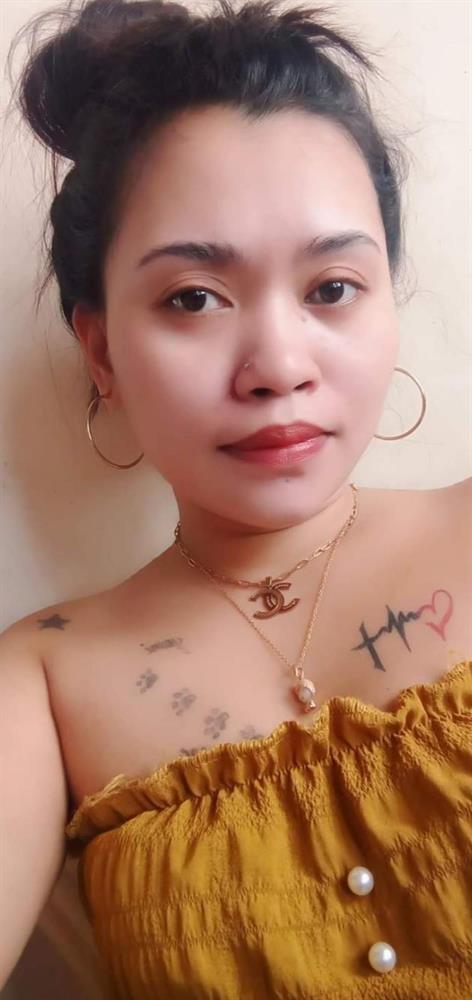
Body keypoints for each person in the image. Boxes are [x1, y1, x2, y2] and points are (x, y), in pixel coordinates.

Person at [1, 0, 470, 996]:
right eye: (193, 298)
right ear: (101, 351)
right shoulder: (41, 684)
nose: (278, 366)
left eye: (332, 287)